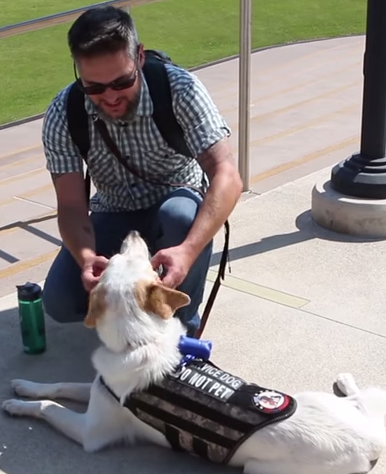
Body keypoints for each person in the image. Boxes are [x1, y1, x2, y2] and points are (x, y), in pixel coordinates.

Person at [40, 6, 243, 337]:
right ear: (78, 70)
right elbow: (72, 206)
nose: (110, 97)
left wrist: (187, 250)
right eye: (94, 87)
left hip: (175, 201)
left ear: (139, 56)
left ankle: (180, 331)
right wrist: (87, 257)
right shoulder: (64, 112)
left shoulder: (179, 89)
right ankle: (130, 316)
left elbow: (227, 175)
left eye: (122, 81)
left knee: (179, 217)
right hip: (114, 208)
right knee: (60, 303)